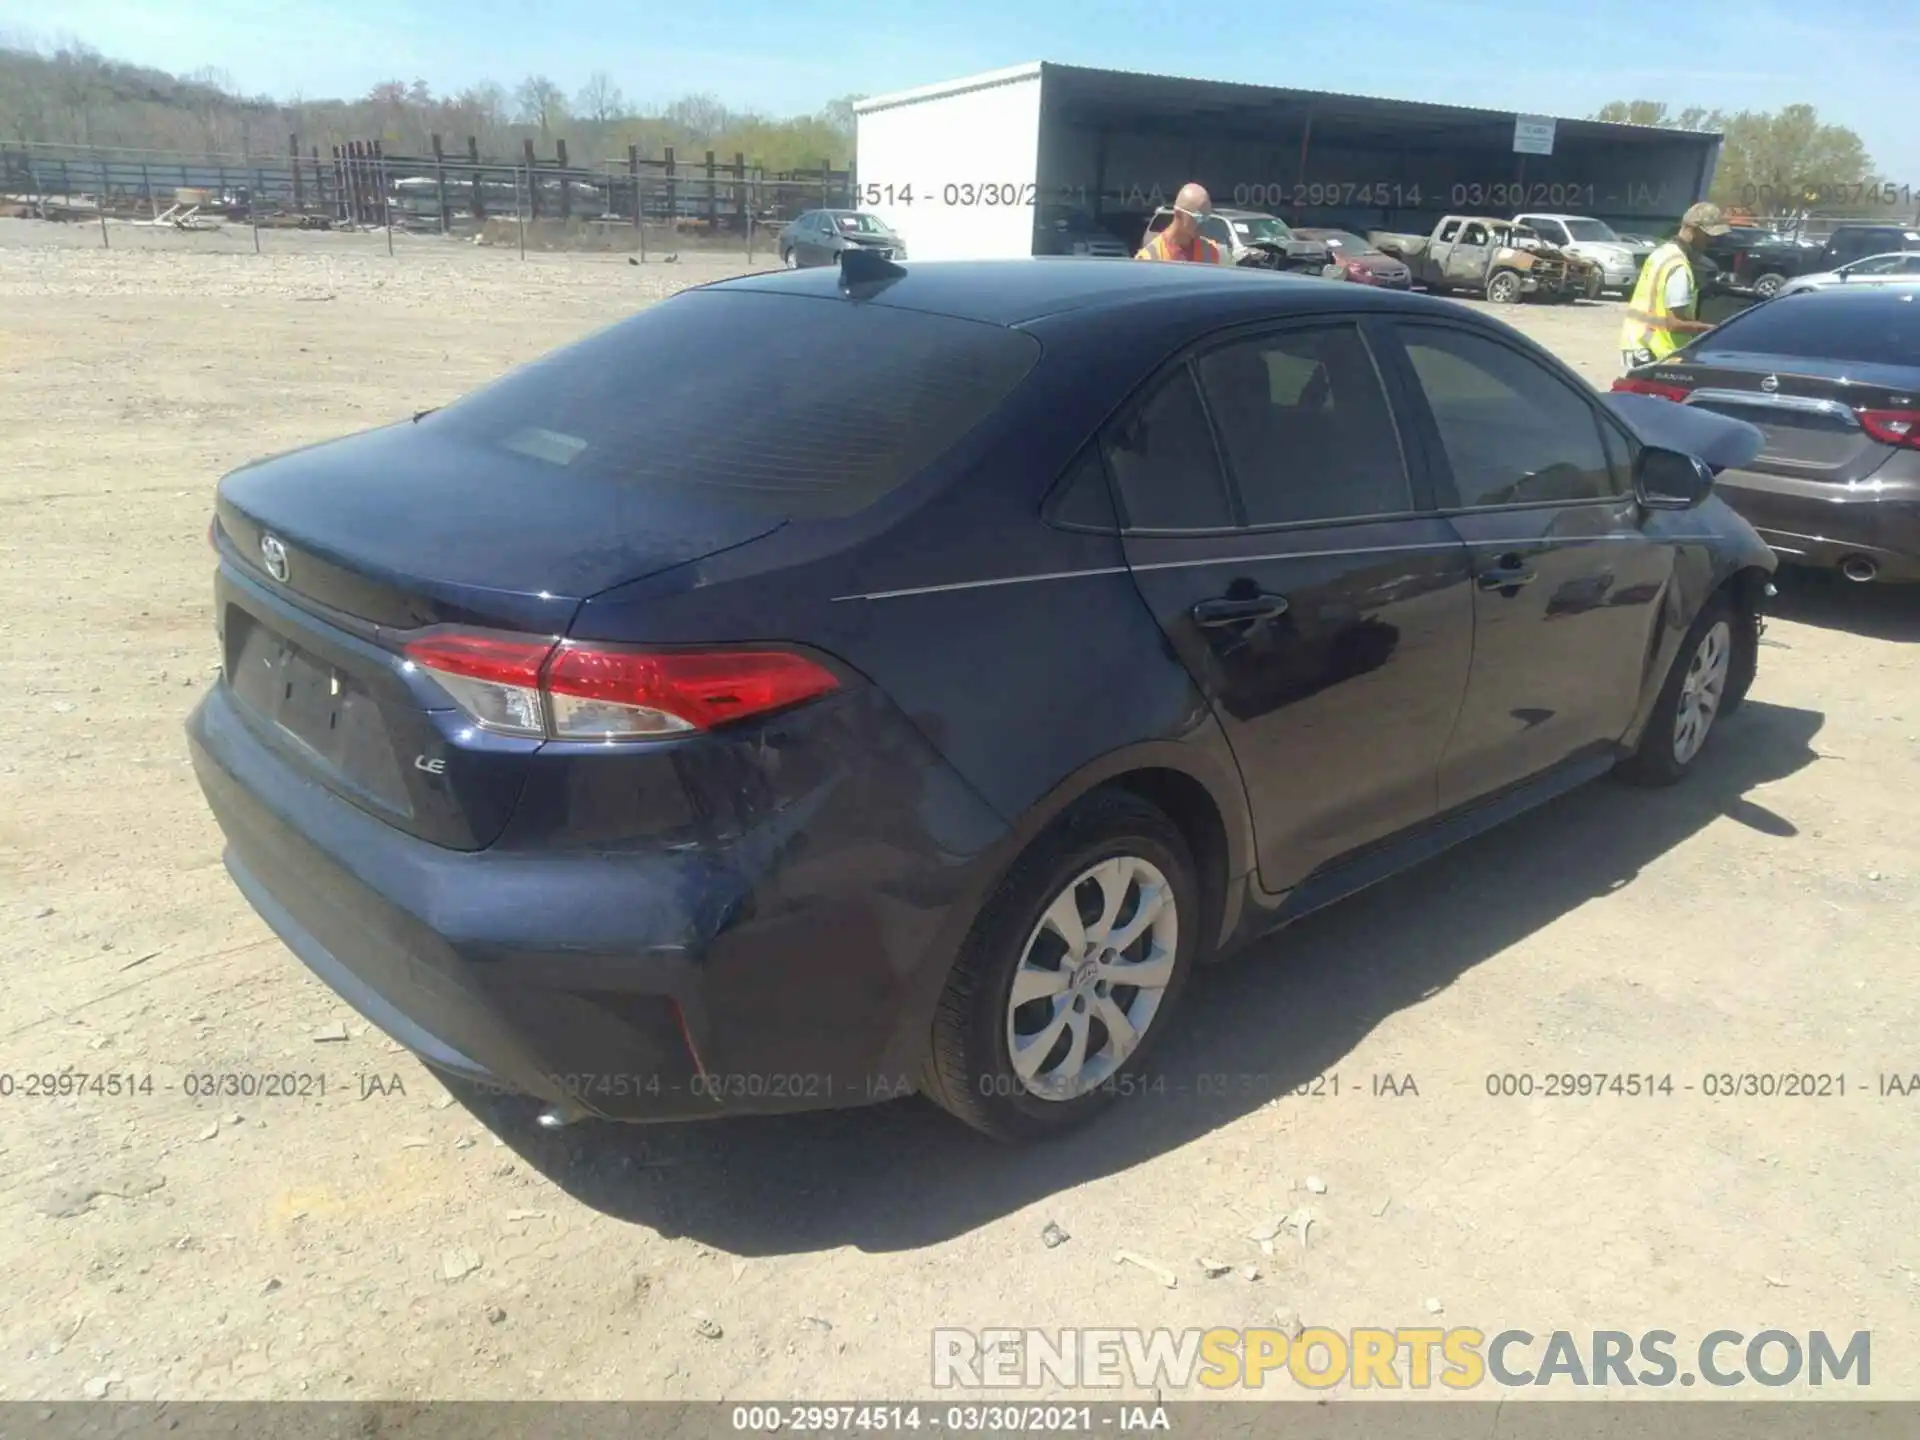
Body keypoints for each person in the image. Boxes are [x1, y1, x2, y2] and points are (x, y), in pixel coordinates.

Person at [1620, 201, 1731, 372]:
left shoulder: (1662, 253)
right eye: (1708, 237)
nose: (1711, 242)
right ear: (1695, 230)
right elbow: (1674, 323)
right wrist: (1711, 330)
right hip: (1655, 352)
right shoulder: (1679, 266)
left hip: (1637, 342)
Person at [1136, 183, 1225, 264]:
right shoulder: (1149, 258)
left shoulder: (1211, 252)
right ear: (1179, 214)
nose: (1203, 224)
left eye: (1207, 218)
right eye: (1199, 218)